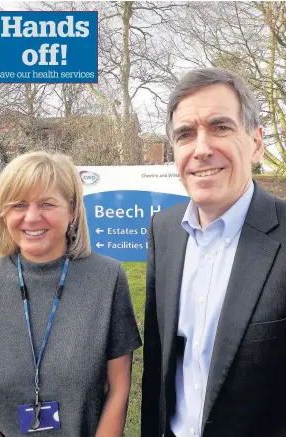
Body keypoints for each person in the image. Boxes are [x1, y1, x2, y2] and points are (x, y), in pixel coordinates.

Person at [141, 68, 286, 437]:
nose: (201, 149)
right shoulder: (165, 230)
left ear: (256, 144)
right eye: (185, 134)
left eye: (220, 127)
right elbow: (158, 364)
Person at [0, 151, 142, 437]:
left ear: (71, 210)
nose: (32, 217)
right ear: (4, 213)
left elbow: (119, 389)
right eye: (18, 204)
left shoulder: (107, 278)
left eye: (47, 203)